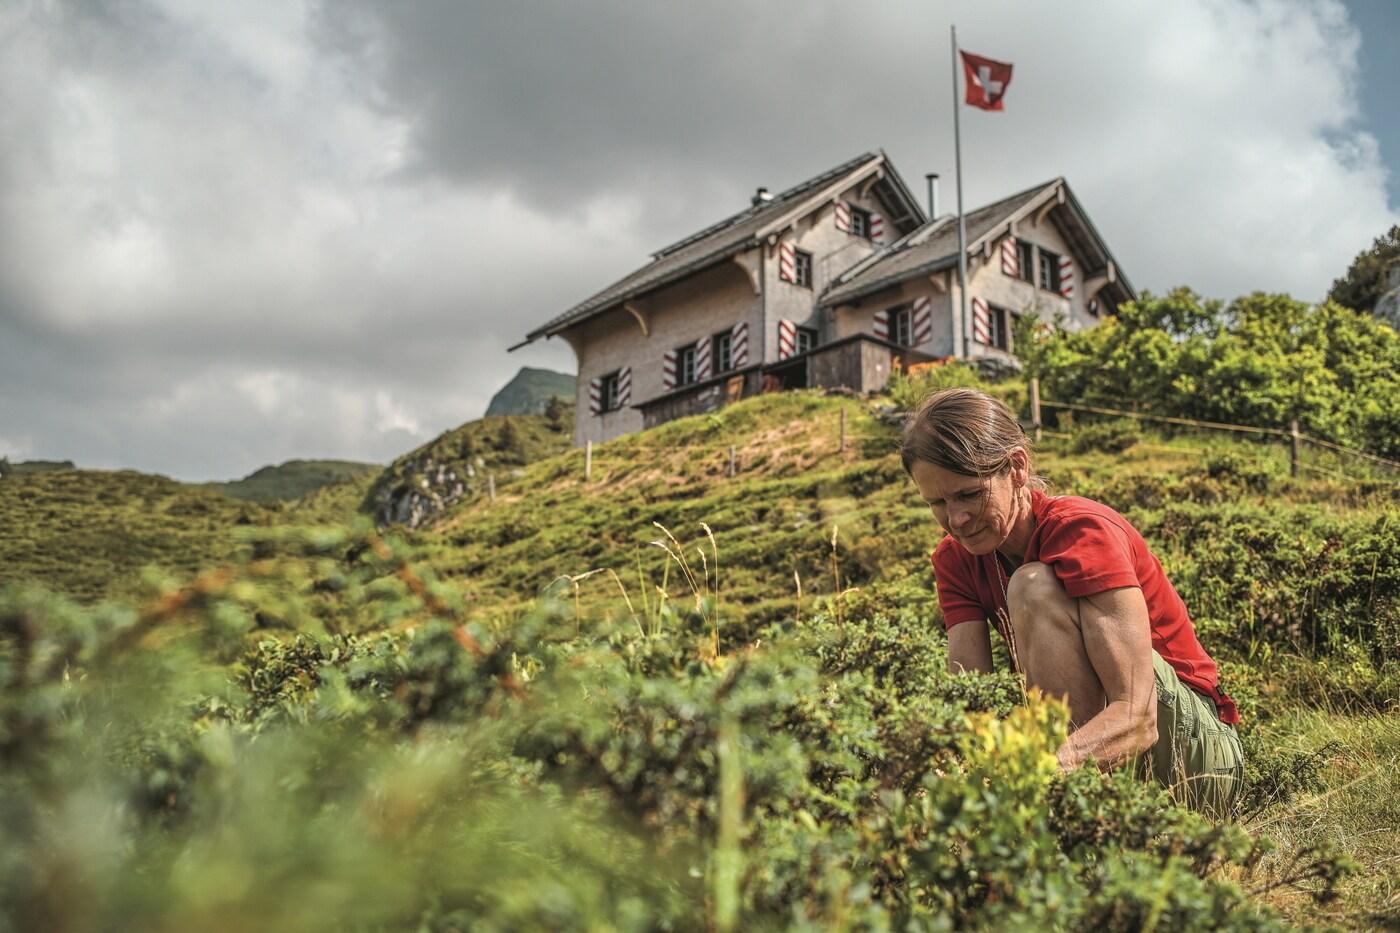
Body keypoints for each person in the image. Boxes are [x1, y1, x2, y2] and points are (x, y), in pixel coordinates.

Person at [902, 387, 1243, 816]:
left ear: (1018, 467)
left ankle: (1071, 814)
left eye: (969, 494)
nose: (956, 520)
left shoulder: (1082, 531)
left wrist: (1035, 778)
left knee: (1032, 585)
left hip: (1197, 760)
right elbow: (971, 700)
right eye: (937, 502)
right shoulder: (956, 560)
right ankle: (1078, 822)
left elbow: (1137, 717)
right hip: (1094, 760)